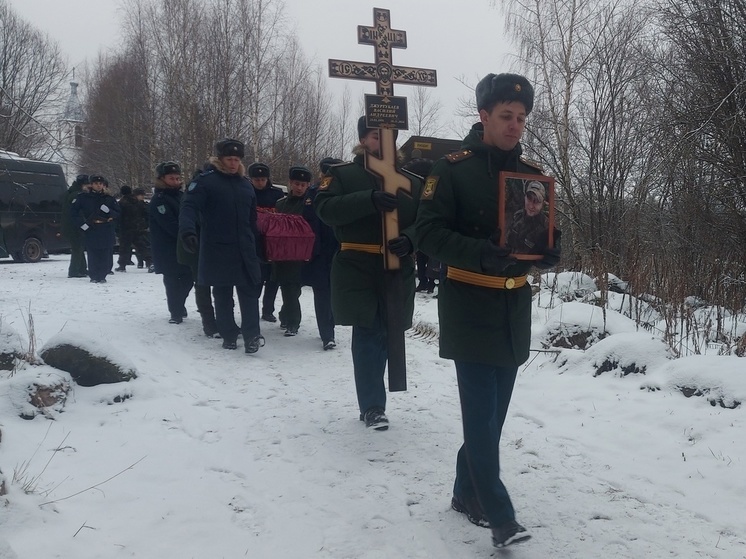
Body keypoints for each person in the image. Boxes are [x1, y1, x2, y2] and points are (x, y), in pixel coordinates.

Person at [415, 73, 561, 549]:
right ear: (483, 115)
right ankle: (499, 515)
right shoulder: (453, 169)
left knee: (492, 419)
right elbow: (427, 233)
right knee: (480, 419)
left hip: (513, 308)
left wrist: (550, 249)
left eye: (521, 118)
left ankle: (463, 491)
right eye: (506, 116)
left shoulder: (531, 177)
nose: (515, 125)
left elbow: (539, 231)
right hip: (470, 304)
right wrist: (479, 253)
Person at [315, 117, 421, 431]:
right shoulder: (343, 175)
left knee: (390, 333)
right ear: (363, 140)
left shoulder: (411, 181)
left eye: (388, 136)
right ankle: (372, 406)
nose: (382, 143)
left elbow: (427, 221)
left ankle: (377, 399)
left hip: (396, 269)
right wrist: (369, 200)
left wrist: (411, 239)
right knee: (367, 335)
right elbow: (325, 209)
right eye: (376, 136)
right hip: (358, 268)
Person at [179, 138, 265, 353]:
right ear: (220, 159)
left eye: (237, 159)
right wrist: (188, 231)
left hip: (244, 247)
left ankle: (252, 336)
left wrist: (259, 242)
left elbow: (252, 218)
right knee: (222, 293)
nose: (234, 163)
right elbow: (188, 207)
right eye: (229, 158)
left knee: (249, 291)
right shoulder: (206, 182)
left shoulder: (246, 185)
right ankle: (228, 335)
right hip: (218, 247)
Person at [274, 165, 338, 349]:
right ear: (290, 183)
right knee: (290, 288)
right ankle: (292, 321)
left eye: (303, 184)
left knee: (324, 293)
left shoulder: (317, 197)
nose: (299, 187)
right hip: (292, 253)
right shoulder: (282, 204)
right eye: (296, 183)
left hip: (320, 253)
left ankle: (327, 332)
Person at [149, 162, 194, 324]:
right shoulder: (159, 200)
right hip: (167, 247)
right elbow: (168, 223)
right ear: (162, 179)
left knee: (189, 278)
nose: (175, 181)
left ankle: (179, 303)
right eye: (171, 178)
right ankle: (175, 311)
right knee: (172, 280)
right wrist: (188, 233)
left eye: (177, 178)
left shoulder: (181, 196)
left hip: (184, 246)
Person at [248, 162, 285, 323]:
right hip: (253, 241)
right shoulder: (247, 192)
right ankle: (251, 309)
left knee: (272, 280)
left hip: (273, 242)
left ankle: (268, 310)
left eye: (263, 179)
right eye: (257, 179)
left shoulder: (276, 194)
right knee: (255, 279)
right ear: (251, 179)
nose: (260, 182)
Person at [71, 174, 120, 283]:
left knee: (105, 253)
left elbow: (118, 214)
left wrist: (109, 211)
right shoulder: (83, 197)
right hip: (91, 228)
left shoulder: (109, 199)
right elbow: (74, 213)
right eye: (96, 184)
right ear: (91, 185)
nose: (98, 186)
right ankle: (94, 275)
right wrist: (82, 224)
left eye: (100, 184)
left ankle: (102, 275)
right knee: (93, 253)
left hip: (105, 228)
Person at [506, 180, 549, 254]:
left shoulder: (546, 225)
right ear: (524, 198)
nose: (531, 206)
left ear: (543, 203)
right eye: (529, 198)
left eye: (537, 201)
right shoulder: (516, 216)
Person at [116, 186, 152, 272]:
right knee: (142, 246)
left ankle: (122, 265)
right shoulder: (137, 202)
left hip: (125, 228)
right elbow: (145, 213)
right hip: (137, 227)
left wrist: (117, 228)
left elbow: (119, 216)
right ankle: (150, 262)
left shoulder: (122, 202)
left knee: (124, 248)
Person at [62, 174, 89, 278]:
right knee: (78, 248)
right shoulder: (77, 195)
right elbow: (79, 212)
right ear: (83, 184)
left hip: (70, 225)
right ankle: (74, 271)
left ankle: (81, 269)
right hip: (75, 226)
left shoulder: (70, 192)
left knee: (79, 248)